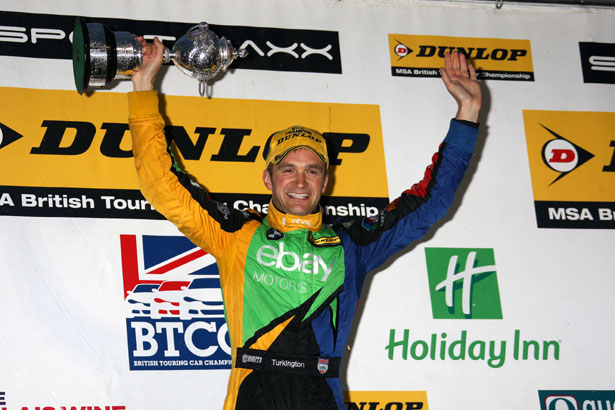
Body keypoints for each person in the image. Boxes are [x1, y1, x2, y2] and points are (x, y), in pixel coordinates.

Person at [128, 36, 481, 410]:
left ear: (324, 182)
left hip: (321, 392)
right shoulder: (237, 233)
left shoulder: (353, 245)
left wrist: (468, 112)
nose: (300, 182)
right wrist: (143, 90)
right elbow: (163, 185)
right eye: (288, 170)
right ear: (269, 179)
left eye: (312, 171)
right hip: (254, 392)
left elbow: (429, 203)